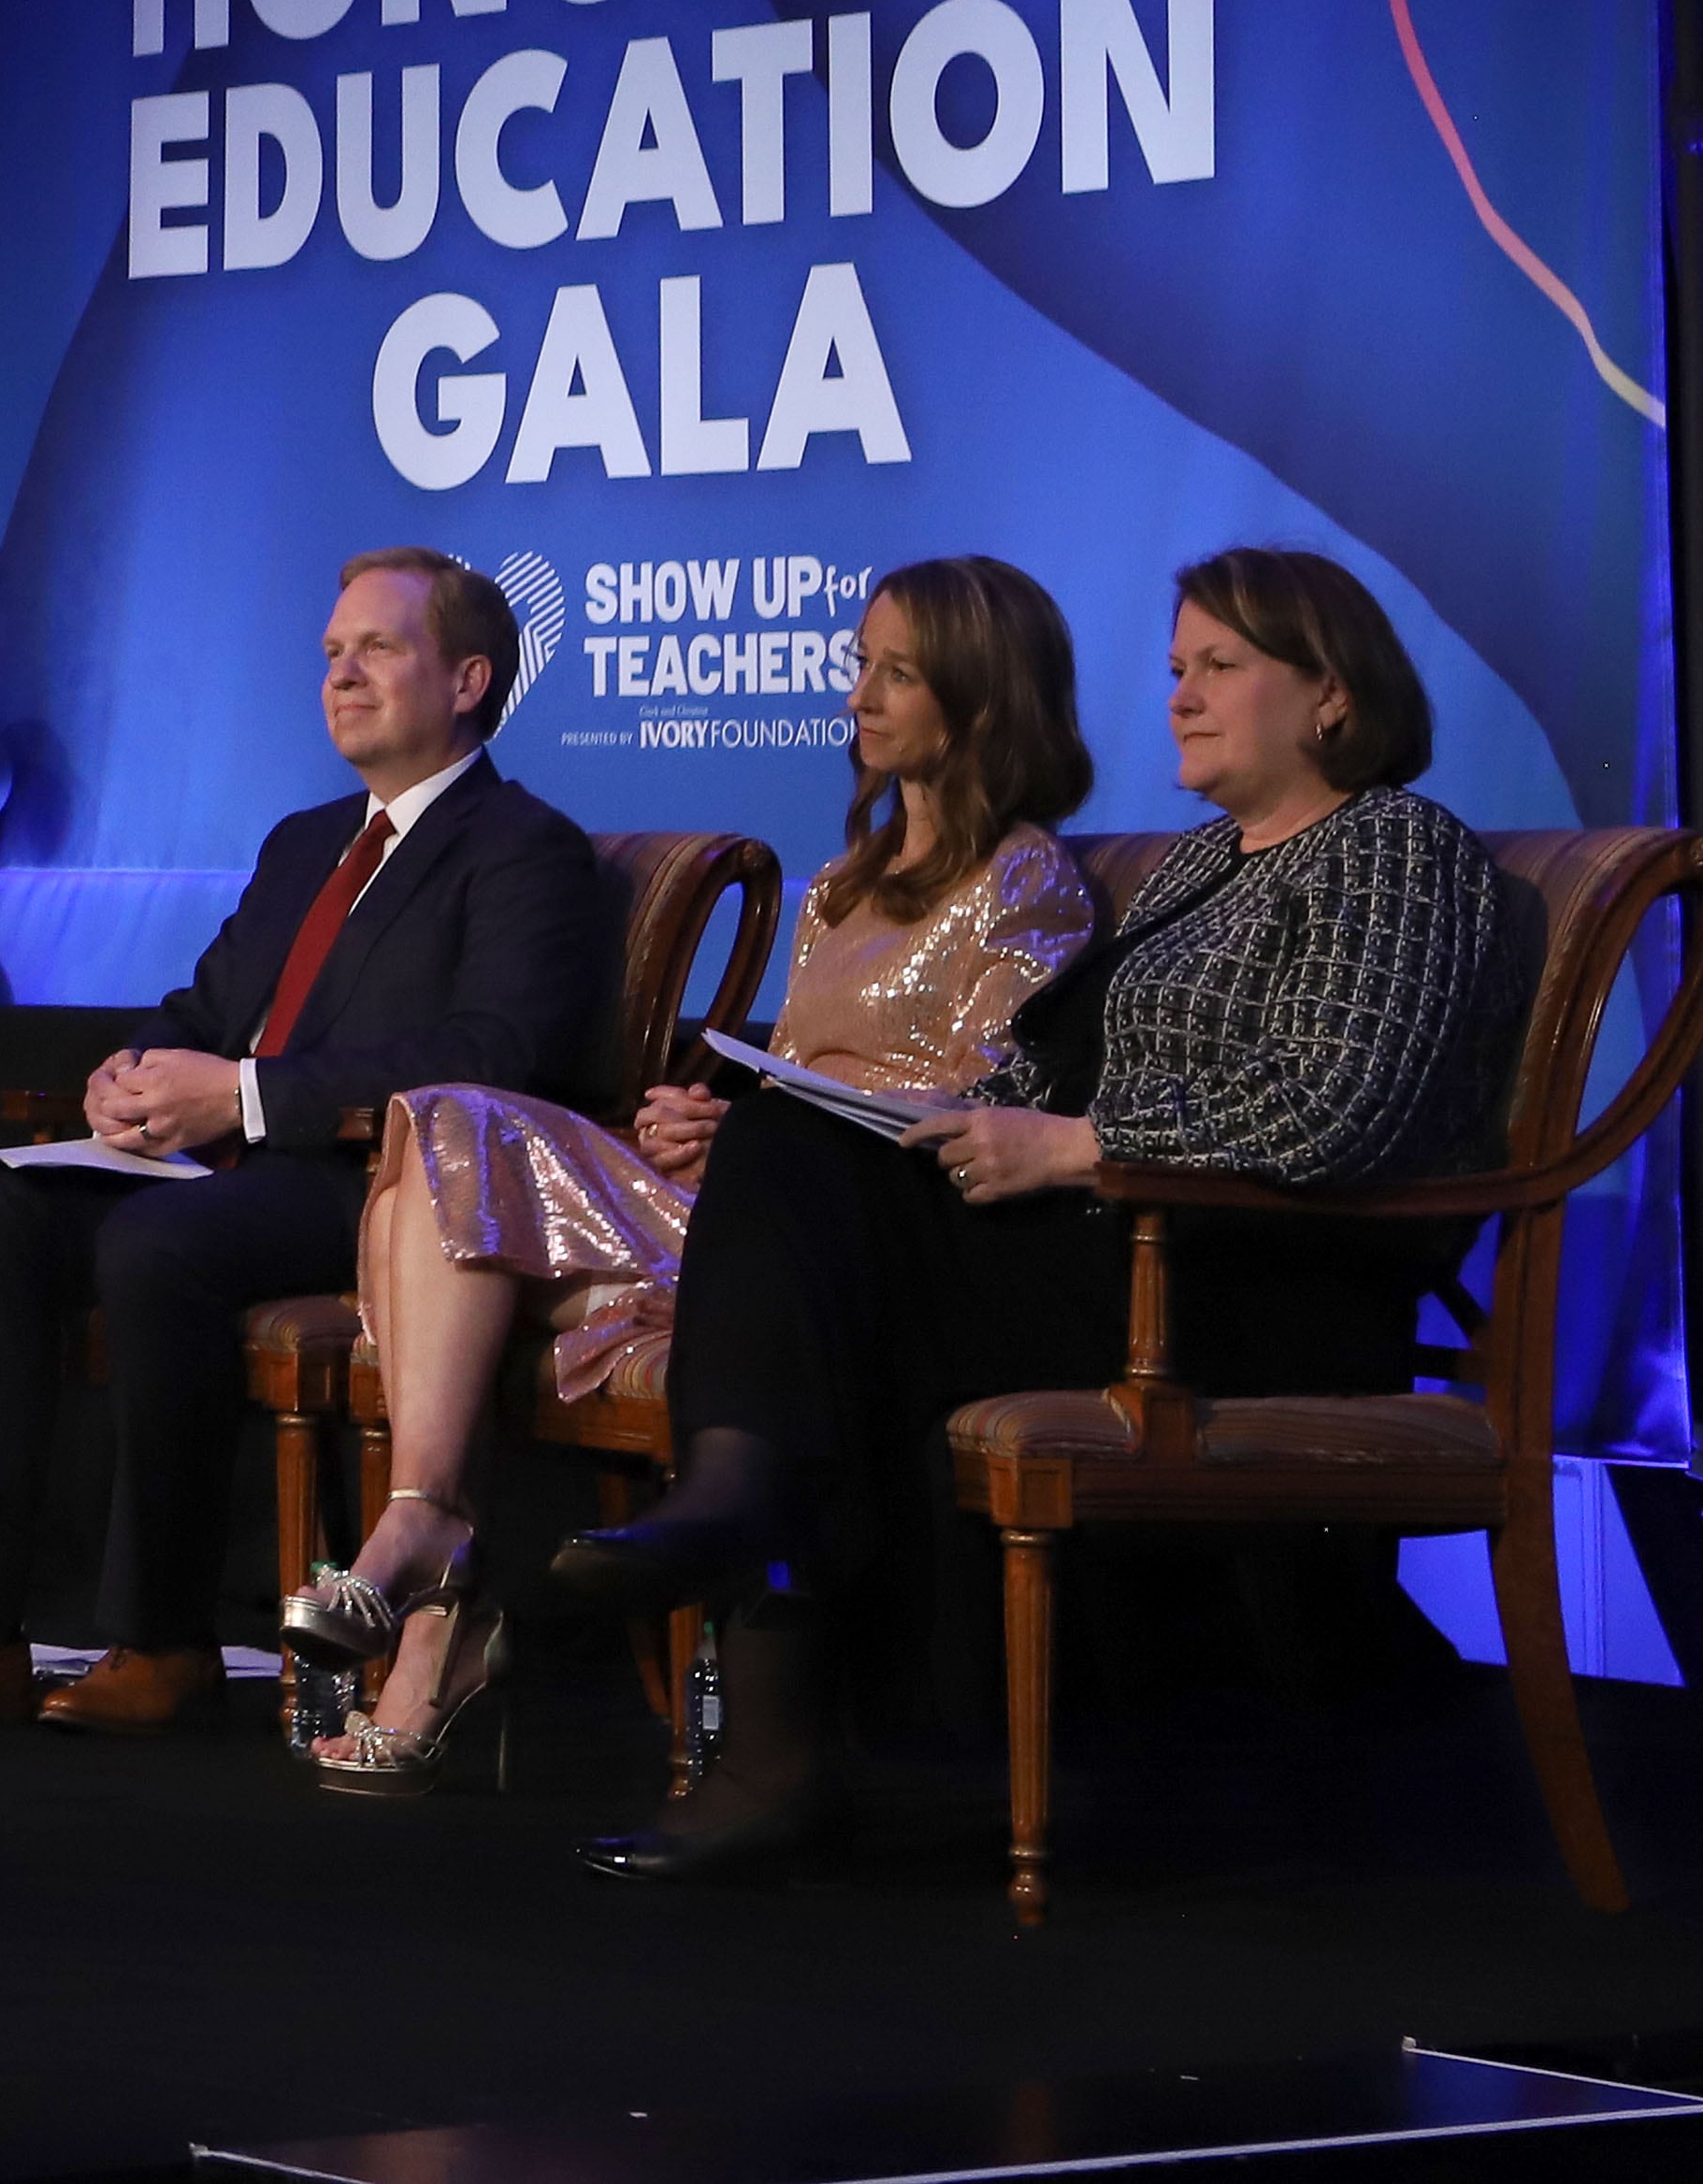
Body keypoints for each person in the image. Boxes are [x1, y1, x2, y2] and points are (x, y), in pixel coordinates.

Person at [549, 546, 1517, 1882]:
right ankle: (746, 1568)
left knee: (817, 1260)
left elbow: (1337, 1107)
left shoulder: (1396, 849)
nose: (1180, 695)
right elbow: (1045, 1068)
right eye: (1177, 667)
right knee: (793, 1149)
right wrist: (918, 1121)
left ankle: (763, 1686)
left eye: (1222, 667)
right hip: (1122, 1251)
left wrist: (1081, 1143)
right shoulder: (1199, 866)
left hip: (1248, 1284)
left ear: (1335, 697)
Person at [296, 557, 1095, 1794]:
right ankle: (430, 1543)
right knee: (441, 1125)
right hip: (752, 1197)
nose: (861, 698)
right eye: (860, 666)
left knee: (449, 1185)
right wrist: (711, 1111)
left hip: (856, 1234)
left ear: (982, 699)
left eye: (897, 671)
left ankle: (430, 1558)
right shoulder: (846, 881)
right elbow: (807, 1072)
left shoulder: (1028, 877)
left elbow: (988, 1101)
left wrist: (775, 1136)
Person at [0, 550, 613, 1735]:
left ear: (471, 679)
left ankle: (162, 1641)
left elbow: (492, 1056)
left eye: (378, 649)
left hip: (374, 1188)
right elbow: (212, 1003)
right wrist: (130, 1072)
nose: (342, 675)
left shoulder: (522, 847)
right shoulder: (306, 841)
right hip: (221, 1166)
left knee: (155, 1246)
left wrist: (240, 1096)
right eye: (332, 653)